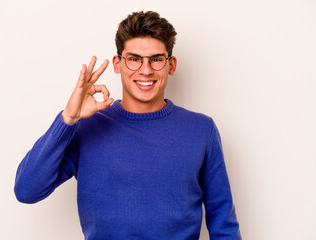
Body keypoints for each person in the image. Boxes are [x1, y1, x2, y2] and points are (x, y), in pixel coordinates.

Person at [14, 11, 242, 240]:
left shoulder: (201, 130)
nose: (145, 70)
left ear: (171, 65)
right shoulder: (87, 128)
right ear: (117, 64)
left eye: (156, 59)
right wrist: (68, 119)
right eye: (134, 59)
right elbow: (27, 190)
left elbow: (223, 222)